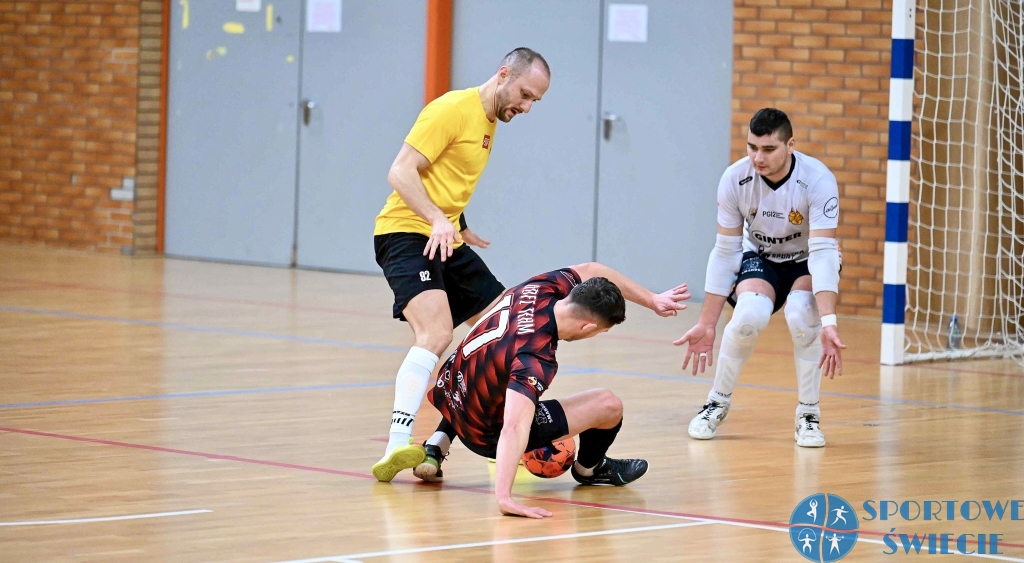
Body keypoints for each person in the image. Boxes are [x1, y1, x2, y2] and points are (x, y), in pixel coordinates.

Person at [371, 48, 551, 481]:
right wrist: (436, 218)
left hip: (445, 237)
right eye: (524, 95)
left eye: (533, 102)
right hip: (405, 234)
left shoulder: (489, 122)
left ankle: (441, 443)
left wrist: (459, 222)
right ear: (504, 74)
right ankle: (397, 445)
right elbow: (400, 171)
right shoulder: (452, 108)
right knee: (436, 333)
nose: (525, 108)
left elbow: (445, 176)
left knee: (510, 332)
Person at [412, 262, 690, 518]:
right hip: (482, 433)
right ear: (588, 325)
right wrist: (504, 498)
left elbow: (592, 268)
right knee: (608, 405)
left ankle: (439, 440)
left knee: (494, 370)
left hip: (449, 388)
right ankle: (590, 469)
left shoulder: (541, 287)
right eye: (599, 332)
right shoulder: (537, 356)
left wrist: (652, 300)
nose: (594, 336)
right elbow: (513, 427)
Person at [674, 108, 846, 448]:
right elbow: (725, 252)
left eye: (768, 149)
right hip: (761, 258)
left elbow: (824, 253)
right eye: (752, 147)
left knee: (801, 316)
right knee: (748, 316)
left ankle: (808, 414)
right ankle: (716, 403)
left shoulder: (818, 179)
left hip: (805, 259)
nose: (757, 157)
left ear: (790, 145)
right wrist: (708, 323)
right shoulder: (735, 179)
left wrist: (829, 322)